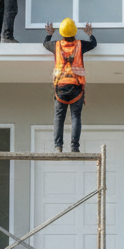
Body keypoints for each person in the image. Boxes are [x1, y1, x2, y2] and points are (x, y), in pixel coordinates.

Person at [44, 18, 97, 152]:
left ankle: (58, 146)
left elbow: (45, 43)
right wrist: (89, 34)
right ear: (74, 33)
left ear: (61, 33)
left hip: (61, 86)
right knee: (75, 117)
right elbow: (93, 44)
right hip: (76, 86)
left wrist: (50, 33)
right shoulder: (80, 45)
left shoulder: (55, 45)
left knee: (59, 118)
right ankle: (74, 146)